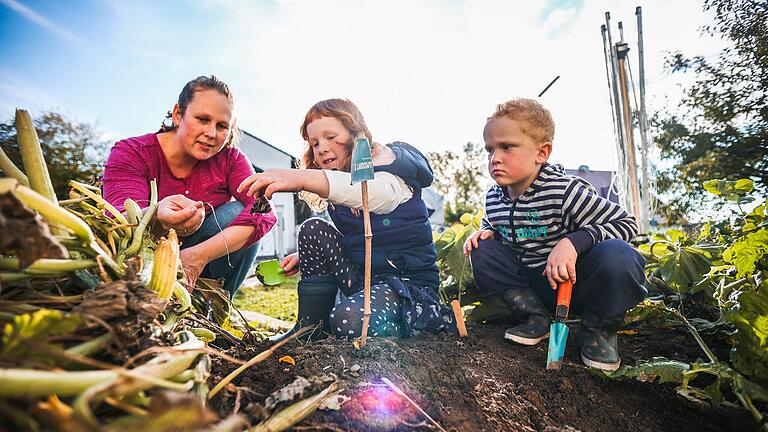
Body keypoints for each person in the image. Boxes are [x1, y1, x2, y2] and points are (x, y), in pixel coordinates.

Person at [238, 98, 454, 340]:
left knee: (348, 320)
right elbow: (352, 237)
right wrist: (310, 256)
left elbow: (372, 195)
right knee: (313, 229)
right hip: (365, 281)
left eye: (331, 137)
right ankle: (310, 330)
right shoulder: (340, 181)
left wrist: (300, 177)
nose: (322, 148)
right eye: (314, 143)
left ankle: (420, 324)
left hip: (407, 287)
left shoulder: (392, 175)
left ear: (355, 134)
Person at [463, 98, 646, 371]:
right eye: (490, 149)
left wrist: (573, 242)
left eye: (507, 147)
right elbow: (491, 225)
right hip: (532, 288)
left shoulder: (564, 191)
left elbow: (626, 224)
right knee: (481, 248)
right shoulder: (494, 198)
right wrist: (487, 232)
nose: (495, 158)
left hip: (576, 285)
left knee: (619, 256)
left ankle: (599, 332)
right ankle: (535, 319)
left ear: (542, 153)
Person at [102, 75, 277, 298]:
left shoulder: (230, 158)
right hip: (143, 259)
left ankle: (215, 307)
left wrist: (197, 256)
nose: (212, 134)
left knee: (239, 213)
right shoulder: (132, 152)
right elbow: (118, 220)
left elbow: (264, 212)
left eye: (222, 125)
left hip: (199, 254)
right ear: (178, 114)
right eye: (202, 119)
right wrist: (157, 214)